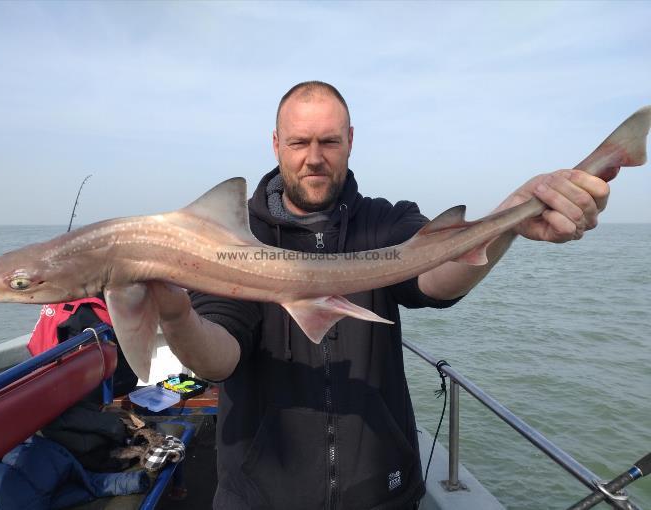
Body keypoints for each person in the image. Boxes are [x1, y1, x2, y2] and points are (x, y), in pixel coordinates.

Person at [146, 82, 610, 509]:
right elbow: (217, 358)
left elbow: (436, 280)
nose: (314, 157)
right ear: (275, 145)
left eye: (329, 141)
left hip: (382, 492)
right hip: (262, 496)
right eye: (299, 142)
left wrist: (509, 219)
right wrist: (176, 312)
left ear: (350, 140)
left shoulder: (386, 223)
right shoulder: (236, 244)